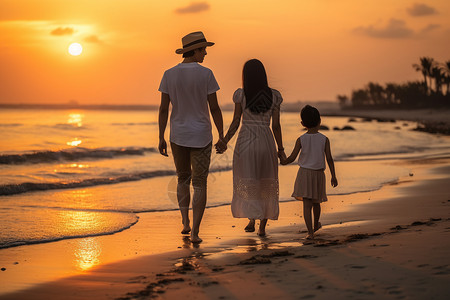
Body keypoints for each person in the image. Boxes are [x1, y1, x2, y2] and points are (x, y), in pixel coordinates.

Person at [158, 31, 225, 243]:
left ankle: (185, 221)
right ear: (194, 50)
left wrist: (160, 136)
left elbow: (163, 109)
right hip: (202, 135)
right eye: (203, 49)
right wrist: (221, 135)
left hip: (178, 134)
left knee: (182, 179)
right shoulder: (206, 74)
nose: (205, 53)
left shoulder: (169, 74)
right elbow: (214, 108)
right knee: (200, 183)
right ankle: (195, 232)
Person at [216, 59, 284, 236]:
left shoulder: (241, 94)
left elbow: (236, 121)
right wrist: (281, 149)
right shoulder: (274, 96)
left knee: (249, 178)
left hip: (246, 140)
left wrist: (224, 141)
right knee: (265, 180)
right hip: (266, 140)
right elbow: (276, 126)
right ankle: (262, 226)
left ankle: (252, 219)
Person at [279, 105, 338, 239]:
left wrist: (283, 160)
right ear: (320, 121)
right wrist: (333, 176)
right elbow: (329, 158)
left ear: (302, 124)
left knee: (307, 205)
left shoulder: (301, 139)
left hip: (304, 174)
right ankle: (316, 224)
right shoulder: (324, 139)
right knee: (316, 203)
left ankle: (310, 233)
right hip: (318, 174)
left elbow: (292, 158)